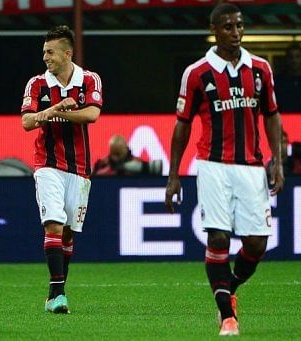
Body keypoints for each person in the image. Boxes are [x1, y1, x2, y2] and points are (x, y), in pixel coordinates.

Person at [164, 3, 284, 337]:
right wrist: (174, 175)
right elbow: (182, 125)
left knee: (257, 243)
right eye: (229, 27)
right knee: (218, 236)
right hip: (213, 165)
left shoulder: (260, 69)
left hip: (251, 167)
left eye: (240, 26)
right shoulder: (197, 72)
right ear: (215, 29)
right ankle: (227, 317)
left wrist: (277, 160)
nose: (236, 33)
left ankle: (228, 289)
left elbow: (272, 115)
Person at [21, 25, 102, 313]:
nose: (45, 57)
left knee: (68, 233)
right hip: (47, 164)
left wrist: (61, 111)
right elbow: (27, 122)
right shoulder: (37, 84)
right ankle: (58, 294)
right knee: (53, 223)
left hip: (79, 168)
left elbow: (92, 114)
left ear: (67, 53)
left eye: (50, 52)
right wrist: (57, 109)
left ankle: (55, 291)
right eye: (44, 52)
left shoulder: (89, 79)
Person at [274, 43, 301, 112]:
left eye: (297, 57)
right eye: (291, 57)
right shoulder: (278, 82)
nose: (294, 60)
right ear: (286, 59)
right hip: (284, 119)